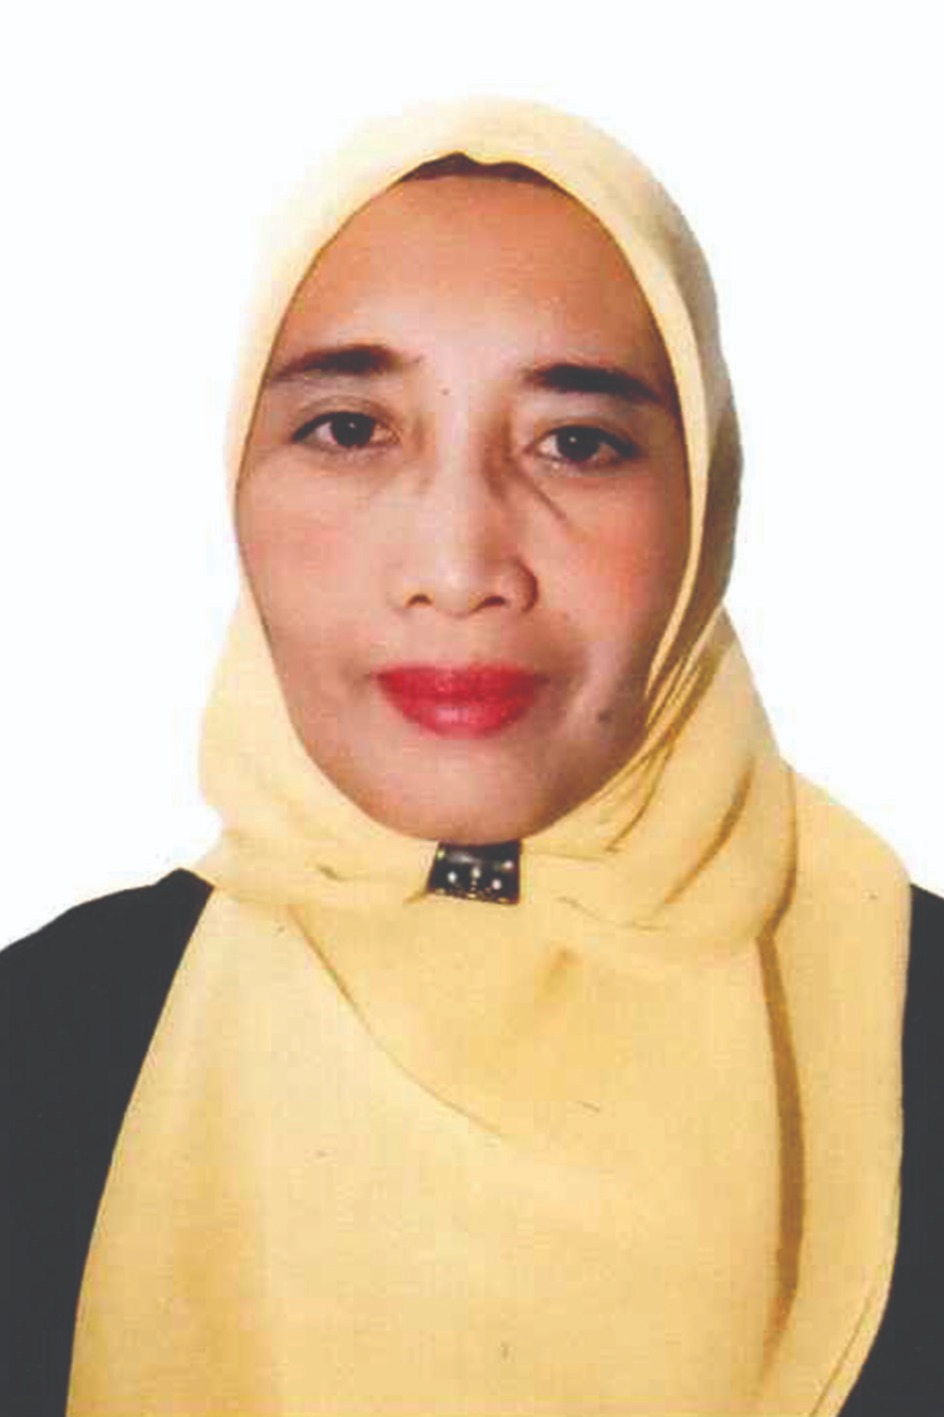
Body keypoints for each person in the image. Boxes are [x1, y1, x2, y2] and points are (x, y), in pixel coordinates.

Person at [2, 98, 941, 1417]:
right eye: (349, 429)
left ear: (706, 507)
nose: (458, 567)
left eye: (578, 443)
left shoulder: (915, 1021)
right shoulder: (40, 1049)